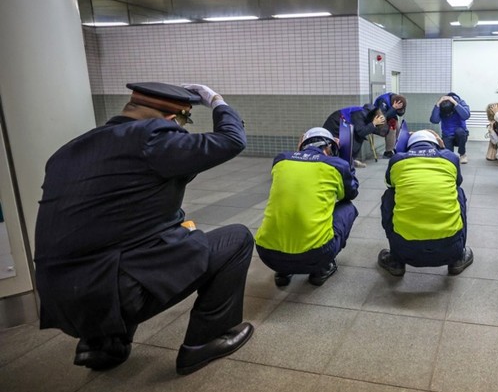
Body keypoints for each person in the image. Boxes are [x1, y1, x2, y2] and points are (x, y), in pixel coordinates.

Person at [34, 82, 254, 375]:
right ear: (171, 118)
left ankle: (101, 346)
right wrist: (217, 101)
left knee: (123, 245)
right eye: (184, 120)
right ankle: (205, 342)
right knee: (235, 240)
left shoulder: (70, 150)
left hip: (55, 296)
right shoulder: (153, 138)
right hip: (113, 290)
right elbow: (231, 139)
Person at [255, 127, 359, 288]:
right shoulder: (336, 165)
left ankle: (283, 271)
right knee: (348, 208)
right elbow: (351, 193)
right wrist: (347, 163)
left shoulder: (281, 160)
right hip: (316, 256)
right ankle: (321, 270)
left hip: (267, 254)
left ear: (301, 144)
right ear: (329, 147)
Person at [377, 130, 473, 277]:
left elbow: (390, 183)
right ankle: (457, 259)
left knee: (390, 194)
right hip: (450, 249)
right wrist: (443, 148)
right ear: (436, 144)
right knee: (458, 191)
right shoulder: (451, 157)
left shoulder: (397, 159)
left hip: (405, 250)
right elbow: (457, 181)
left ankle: (396, 261)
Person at [430, 92, 471, 164]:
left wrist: (456, 104)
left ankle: (462, 154)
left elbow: (466, 116)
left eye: (450, 113)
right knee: (448, 158)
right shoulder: (441, 105)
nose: (448, 115)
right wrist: (437, 104)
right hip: (447, 135)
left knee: (460, 132)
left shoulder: (461, 103)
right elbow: (434, 120)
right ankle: (450, 154)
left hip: (460, 134)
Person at [373, 92, 407, 158]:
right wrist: (393, 108)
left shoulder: (400, 100)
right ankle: (388, 152)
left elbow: (400, 113)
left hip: (389, 118)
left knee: (398, 126)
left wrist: (398, 109)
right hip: (377, 121)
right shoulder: (383, 100)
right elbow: (382, 117)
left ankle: (396, 147)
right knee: (392, 128)